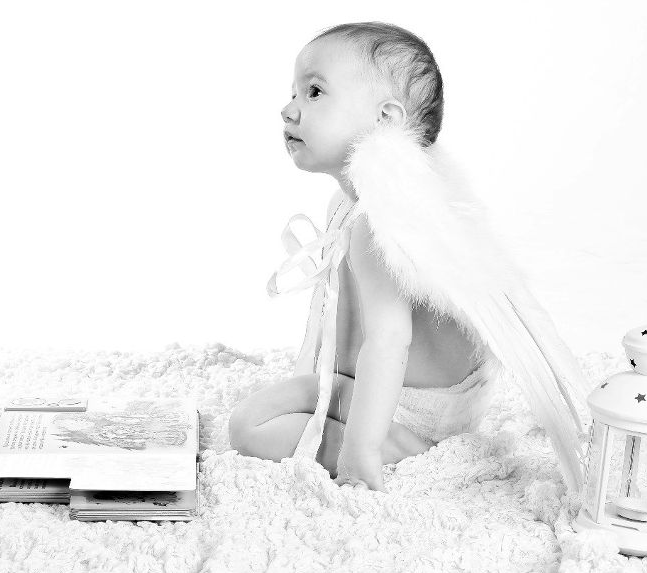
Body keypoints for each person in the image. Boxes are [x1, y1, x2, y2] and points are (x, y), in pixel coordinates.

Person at [228, 22, 588, 492]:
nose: (288, 108)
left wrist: (359, 453)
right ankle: (361, 421)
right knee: (251, 413)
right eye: (293, 91)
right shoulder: (348, 205)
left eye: (314, 92)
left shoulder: (384, 222)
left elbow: (389, 341)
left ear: (386, 119)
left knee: (250, 431)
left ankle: (402, 446)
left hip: (412, 410)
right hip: (371, 386)